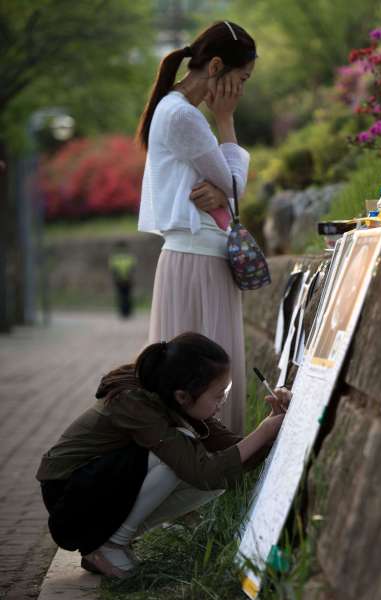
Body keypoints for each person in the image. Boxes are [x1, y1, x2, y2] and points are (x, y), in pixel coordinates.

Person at [36, 332, 291, 578]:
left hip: (103, 483)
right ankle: (110, 543)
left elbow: (234, 455)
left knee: (216, 473)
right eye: (217, 395)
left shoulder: (175, 394)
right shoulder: (134, 402)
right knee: (179, 459)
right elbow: (202, 470)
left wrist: (270, 428)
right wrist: (265, 431)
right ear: (183, 395)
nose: (222, 401)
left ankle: (111, 540)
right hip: (68, 493)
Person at [137, 21, 257, 433]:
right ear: (217, 66)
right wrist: (225, 120)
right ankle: (218, 466)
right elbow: (235, 184)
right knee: (209, 376)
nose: (240, 90)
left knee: (188, 381)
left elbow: (224, 188)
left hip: (189, 257)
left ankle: (202, 471)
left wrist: (223, 193)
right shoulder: (185, 117)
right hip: (199, 258)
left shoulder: (171, 108)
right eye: (241, 79)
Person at [109, 241, 136, 319]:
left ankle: (122, 313)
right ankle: (128, 312)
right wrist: (129, 277)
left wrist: (118, 278)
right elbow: (132, 268)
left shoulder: (115, 257)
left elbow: (113, 269)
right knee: (128, 296)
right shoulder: (129, 256)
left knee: (121, 297)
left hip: (119, 280)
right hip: (128, 280)